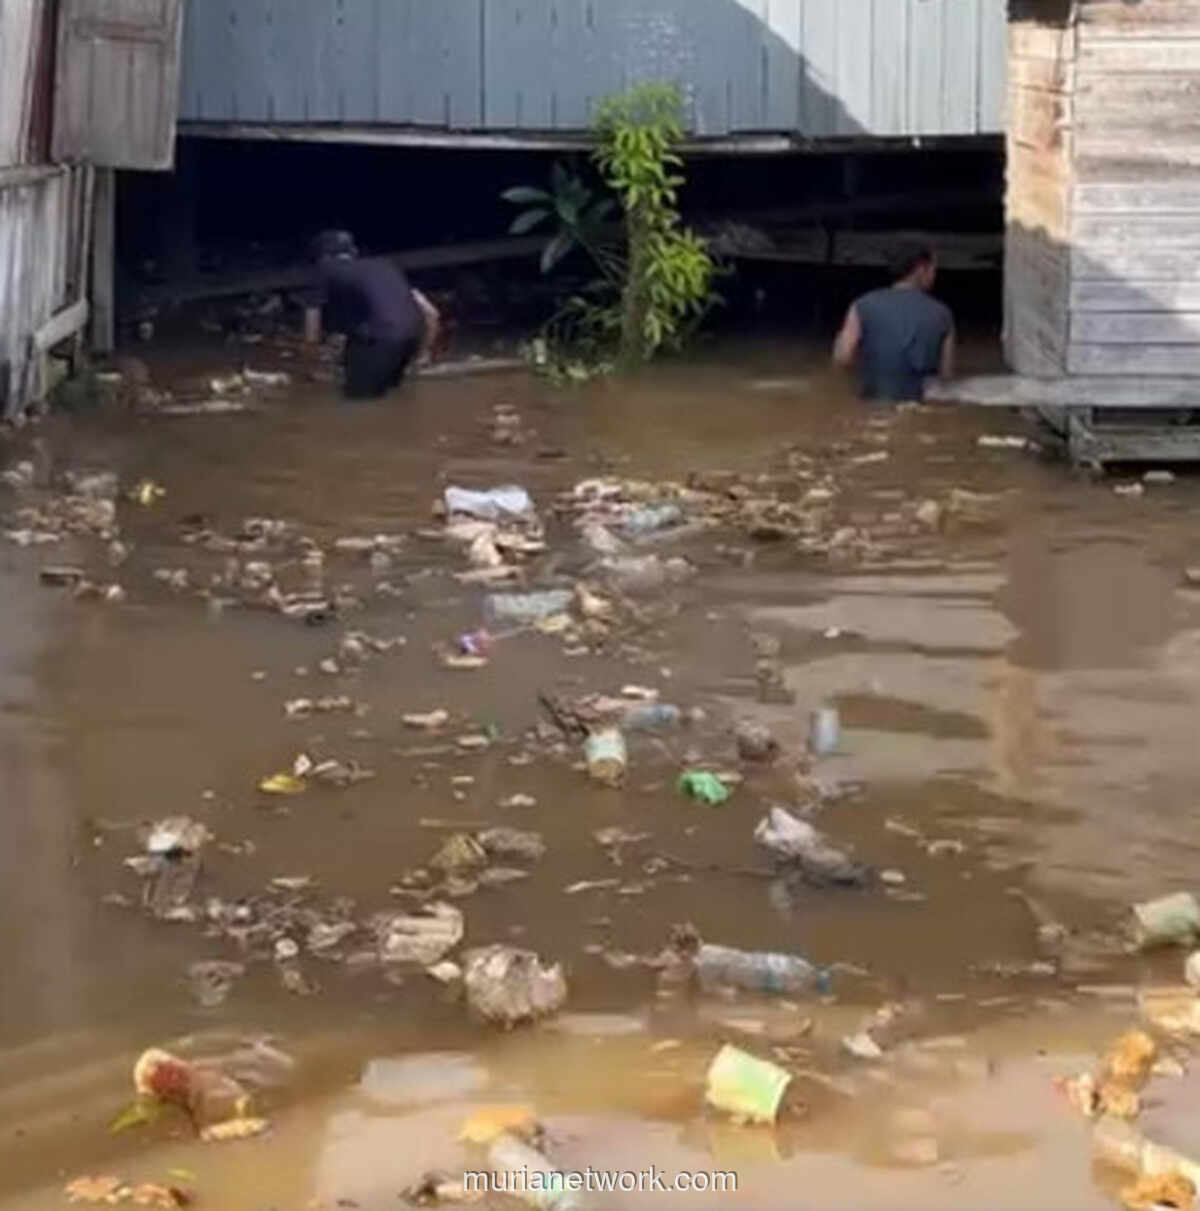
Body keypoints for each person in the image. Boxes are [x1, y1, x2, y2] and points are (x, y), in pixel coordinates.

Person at [311, 229, 441, 399]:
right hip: (412, 335)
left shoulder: (327, 271)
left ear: (323, 258)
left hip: (382, 340)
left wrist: (311, 358)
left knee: (357, 404)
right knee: (395, 396)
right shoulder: (385, 265)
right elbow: (431, 312)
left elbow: (312, 325)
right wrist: (423, 354)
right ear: (354, 252)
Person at [832, 241, 955, 402]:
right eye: (933, 268)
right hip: (918, 402)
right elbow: (946, 376)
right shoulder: (943, 314)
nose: (935, 274)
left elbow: (844, 358)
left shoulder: (861, 305)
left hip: (872, 400)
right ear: (920, 269)